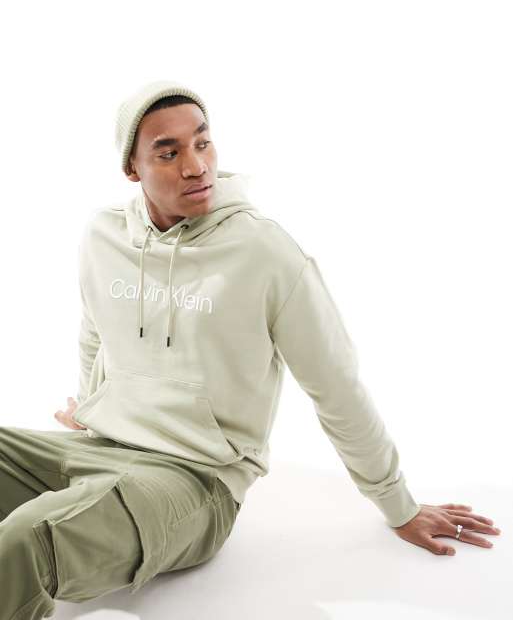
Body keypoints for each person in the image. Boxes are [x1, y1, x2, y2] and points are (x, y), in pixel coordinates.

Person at [0, 80, 501, 619]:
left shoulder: (264, 253)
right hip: (102, 449)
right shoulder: (104, 236)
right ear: (132, 169)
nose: (196, 166)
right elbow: (95, 332)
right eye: (168, 153)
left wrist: (398, 505)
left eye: (202, 143)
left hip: (194, 481)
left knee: (27, 538)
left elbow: (336, 387)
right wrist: (91, 407)